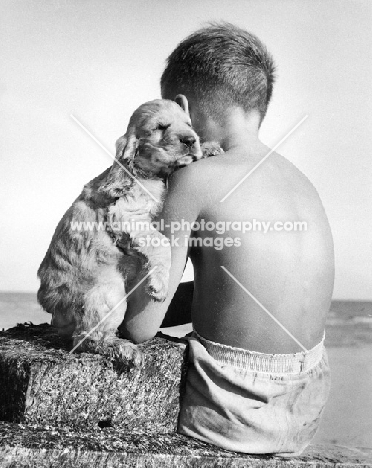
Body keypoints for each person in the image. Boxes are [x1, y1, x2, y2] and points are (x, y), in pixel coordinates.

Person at [120, 22, 334, 456]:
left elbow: (142, 327)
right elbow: (245, 291)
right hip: (307, 402)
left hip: (235, 410)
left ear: (181, 108)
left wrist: (109, 300)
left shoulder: (195, 179)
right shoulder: (301, 182)